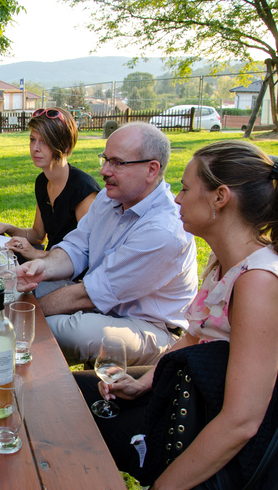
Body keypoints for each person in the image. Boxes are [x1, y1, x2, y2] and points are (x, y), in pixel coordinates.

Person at [74, 140, 278, 490]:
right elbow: (193, 337)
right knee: (70, 392)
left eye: (187, 189)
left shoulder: (258, 283)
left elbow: (243, 421)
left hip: (247, 448)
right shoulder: (228, 263)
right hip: (201, 397)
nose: (176, 200)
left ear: (220, 197)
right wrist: (143, 384)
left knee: (73, 411)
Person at [16, 122, 198, 367]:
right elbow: (76, 248)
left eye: (117, 163)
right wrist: (41, 268)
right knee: (13, 292)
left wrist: (26, 312)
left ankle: (30, 384)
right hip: (103, 305)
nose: (104, 171)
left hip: (150, 327)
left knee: (56, 329)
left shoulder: (163, 231)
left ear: (151, 170)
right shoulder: (108, 198)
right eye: (105, 159)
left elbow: (91, 294)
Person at [0, 107, 100, 261]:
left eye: (44, 141)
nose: (35, 148)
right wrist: (6, 228)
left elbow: (89, 254)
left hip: (72, 276)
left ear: (65, 146)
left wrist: (36, 254)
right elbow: (38, 235)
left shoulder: (83, 190)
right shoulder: (43, 181)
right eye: (32, 139)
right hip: (48, 263)